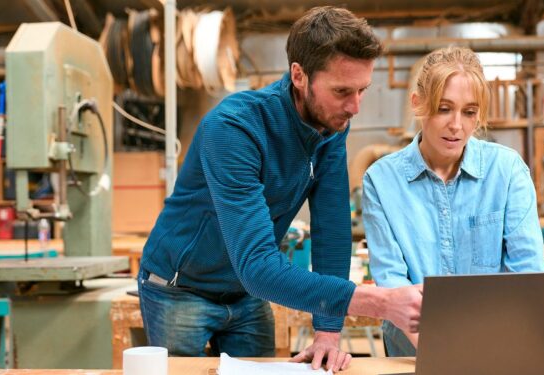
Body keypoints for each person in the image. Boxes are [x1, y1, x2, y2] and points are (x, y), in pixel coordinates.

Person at [138, 6, 422, 372]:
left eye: (362, 90)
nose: (354, 107)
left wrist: (328, 331)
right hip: (180, 288)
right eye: (341, 91)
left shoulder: (332, 124)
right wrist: (379, 303)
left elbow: (332, 232)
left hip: (247, 293)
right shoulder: (234, 129)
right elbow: (257, 265)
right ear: (299, 75)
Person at [361, 46, 544, 357]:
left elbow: (527, 276)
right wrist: (444, 357)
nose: (457, 125)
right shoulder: (381, 181)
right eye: (444, 108)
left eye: (469, 112)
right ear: (418, 104)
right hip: (414, 354)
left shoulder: (507, 170)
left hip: (497, 349)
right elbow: (393, 286)